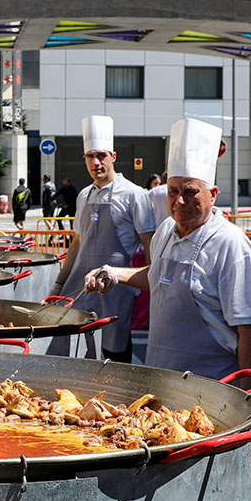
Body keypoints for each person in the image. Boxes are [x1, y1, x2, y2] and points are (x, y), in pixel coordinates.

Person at [83, 118, 251, 386]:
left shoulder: (230, 244)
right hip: (160, 376)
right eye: (173, 191)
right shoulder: (167, 229)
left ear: (212, 194)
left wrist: (250, 398)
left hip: (210, 385)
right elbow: (160, 277)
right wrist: (114, 273)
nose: (180, 201)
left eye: (191, 192)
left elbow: (248, 331)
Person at [49, 115, 156, 362]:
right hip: (80, 287)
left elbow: (149, 242)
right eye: (90, 156)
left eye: (101, 156)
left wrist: (151, 286)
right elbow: (77, 242)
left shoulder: (134, 194)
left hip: (116, 289)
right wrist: (59, 283)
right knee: (79, 354)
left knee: (115, 353)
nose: (96, 162)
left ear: (113, 157)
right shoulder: (83, 195)